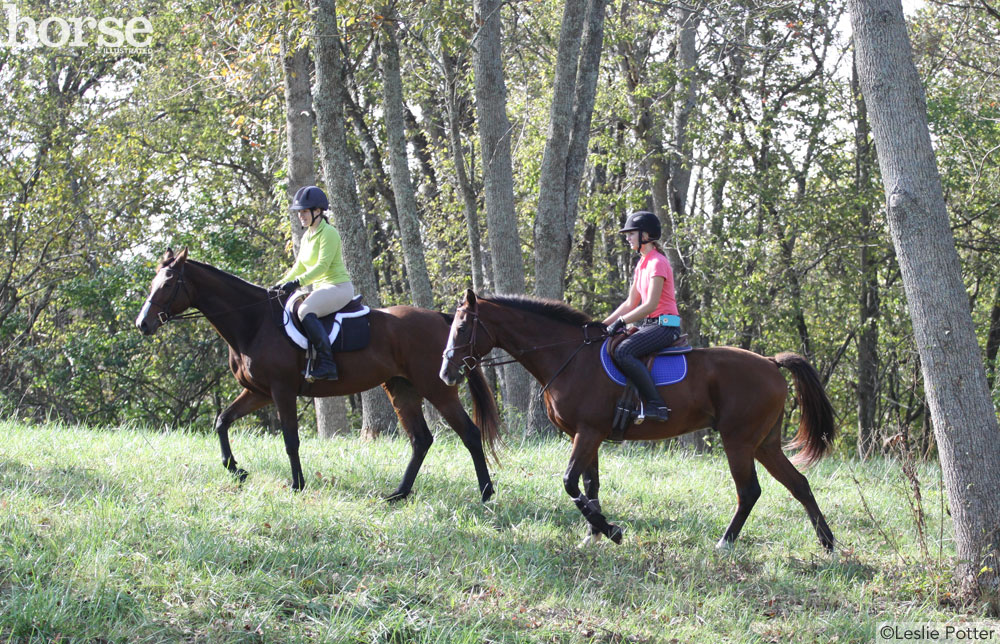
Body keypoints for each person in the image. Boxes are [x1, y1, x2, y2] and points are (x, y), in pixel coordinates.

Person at [601, 211, 682, 422]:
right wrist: (602, 324)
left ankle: (657, 405)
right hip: (650, 325)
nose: (627, 238)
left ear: (645, 235)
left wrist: (621, 322)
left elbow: (651, 304)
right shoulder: (642, 264)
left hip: (666, 326)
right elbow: (630, 303)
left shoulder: (658, 262)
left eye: (631, 234)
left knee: (624, 351)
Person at [273, 186, 353, 381]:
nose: (301, 215)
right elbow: (299, 266)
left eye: (304, 211)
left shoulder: (329, 233)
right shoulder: (307, 235)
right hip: (322, 289)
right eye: (299, 212)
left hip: (338, 287)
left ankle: (328, 364)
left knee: (304, 311)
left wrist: (297, 283)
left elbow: (322, 266)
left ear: (317, 211)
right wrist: (279, 284)